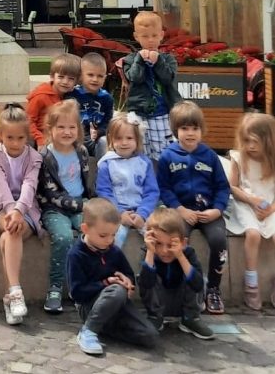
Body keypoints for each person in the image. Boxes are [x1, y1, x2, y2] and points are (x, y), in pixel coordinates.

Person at [156, 100, 230, 314]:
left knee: (219, 240)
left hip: (209, 212)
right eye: (184, 128)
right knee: (177, 241)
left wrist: (217, 209)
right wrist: (179, 209)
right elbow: (164, 188)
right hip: (181, 212)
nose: (190, 133)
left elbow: (223, 187)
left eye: (195, 128)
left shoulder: (210, 156)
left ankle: (213, 289)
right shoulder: (167, 156)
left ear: (201, 130)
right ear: (175, 130)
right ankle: (181, 287)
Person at [66, 197, 159, 357]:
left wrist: (128, 282)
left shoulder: (114, 251)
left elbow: (128, 274)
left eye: (113, 235)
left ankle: (102, 327)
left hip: (118, 305)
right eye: (103, 236)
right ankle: (89, 330)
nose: (109, 240)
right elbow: (77, 293)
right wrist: (106, 283)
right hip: (89, 306)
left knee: (150, 336)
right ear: (85, 229)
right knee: (116, 290)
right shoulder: (76, 255)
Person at [0, 103, 42, 326]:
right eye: (10, 138)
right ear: (1, 135)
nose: (15, 143)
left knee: (9, 236)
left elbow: (30, 185)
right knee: (10, 228)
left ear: (27, 137)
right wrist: (11, 211)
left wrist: (19, 210)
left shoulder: (34, 157)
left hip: (27, 209)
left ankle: (11, 296)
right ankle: (16, 292)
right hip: (1, 208)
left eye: (20, 138)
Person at [37, 98, 95, 314]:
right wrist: (81, 205)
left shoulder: (81, 152)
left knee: (90, 235)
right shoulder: (46, 156)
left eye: (72, 127)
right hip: (54, 208)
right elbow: (50, 193)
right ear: (50, 129)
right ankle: (55, 287)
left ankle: (81, 285)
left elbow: (85, 183)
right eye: (61, 127)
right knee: (63, 237)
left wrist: (88, 203)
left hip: (80, 204)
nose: (67, 132)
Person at [223, 111, 275, 310]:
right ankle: (251, 283)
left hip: (270, 206)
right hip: (246, 204)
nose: (250, 146)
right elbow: (233, 187)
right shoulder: (238, 157)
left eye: (255, 141)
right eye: (246, 141)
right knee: (253, 234)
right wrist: (252, 200)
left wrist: (270, 209)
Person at [138, 207, 213, 339]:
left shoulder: (188, 253)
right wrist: (150, 252)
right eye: (158, 244)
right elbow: (146, 283)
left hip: (182, 303)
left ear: (183, 242)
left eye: (170, 245)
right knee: (145, 273)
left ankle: (190, 319)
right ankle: (155, 317)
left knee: (194, 274)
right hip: (159, 305)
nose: (164, 251)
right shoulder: (150, 253)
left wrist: (180, 256)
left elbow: (197, 284)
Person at [122, 11, 181, 161]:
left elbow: (168, 79)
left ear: (161, 35)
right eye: (145, 36)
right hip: (138, 112)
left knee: (163, 152)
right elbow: (135, 78)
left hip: (162, 113)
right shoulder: (130, 60)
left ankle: (162, 175)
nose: (150, 40)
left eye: (154, 35)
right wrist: (140, 60)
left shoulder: (168, 59)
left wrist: (158, 62)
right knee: (139, 151)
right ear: (136, 37)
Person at [96, 111, 159, 246]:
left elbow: (152, 192)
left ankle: (151, 259)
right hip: (116, 211)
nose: (124, 143)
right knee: (115, 238)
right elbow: (104, 193)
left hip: (143, 210)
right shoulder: (106, 164)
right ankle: (111, 260)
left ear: (137, 139)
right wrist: (120, 213)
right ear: (111, 140)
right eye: (118, 138)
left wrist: (142, 213)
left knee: (157, 236)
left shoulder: (144, 163)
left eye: (129, 138)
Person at [26, 54, 82, 150]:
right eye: (61, 77)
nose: (65, 82)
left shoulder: (71, 96)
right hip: (39, 137)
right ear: (52, 76)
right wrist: (39, 138)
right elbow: (28, 121)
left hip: (61, 134)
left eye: (71, 79)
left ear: (76, 82)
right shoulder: (41, 96)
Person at [70, 52, 114, 158]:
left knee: (105, 142)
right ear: (81, 75)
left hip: (96, 139)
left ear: (105, 78)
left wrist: (99, 132)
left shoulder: (107, 98)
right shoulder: (72, 94)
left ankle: (104, 167)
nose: (95, 79)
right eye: (90, 75)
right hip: (74, 138)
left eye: (100, 76)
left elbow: (108, 122)